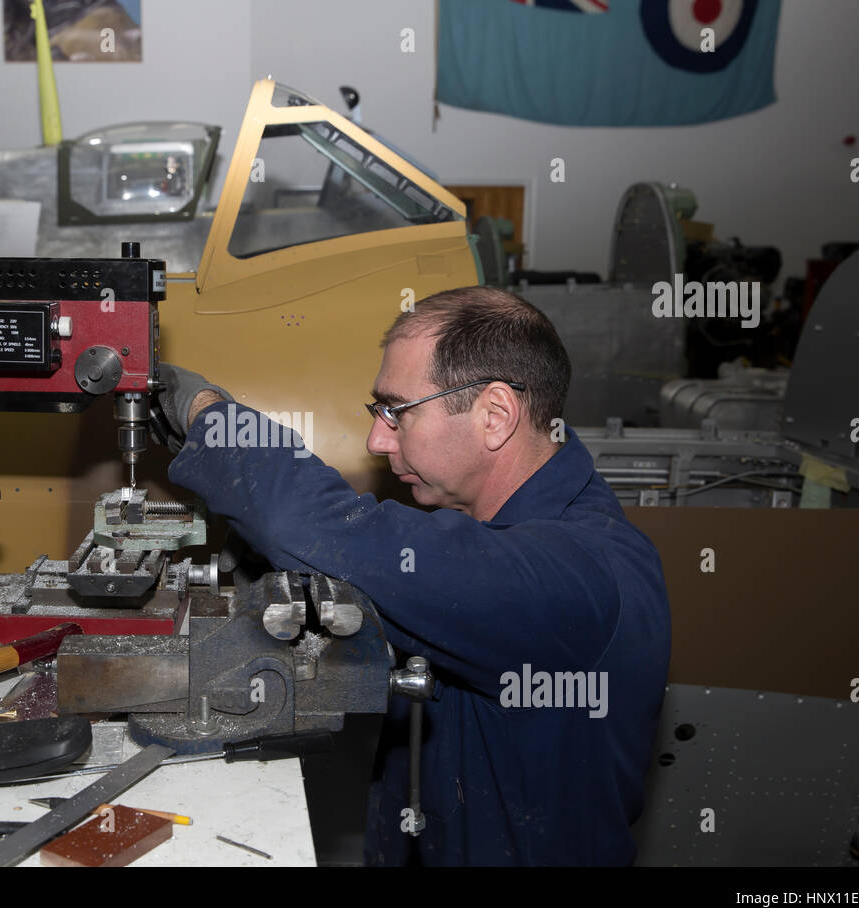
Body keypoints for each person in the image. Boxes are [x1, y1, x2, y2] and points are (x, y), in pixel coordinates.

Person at [153, 286, 671, 865]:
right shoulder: (506, 527)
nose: (377, 439)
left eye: (397, 411)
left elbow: (331, 527)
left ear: (495, 415)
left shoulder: (575, 574)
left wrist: (208, 415)